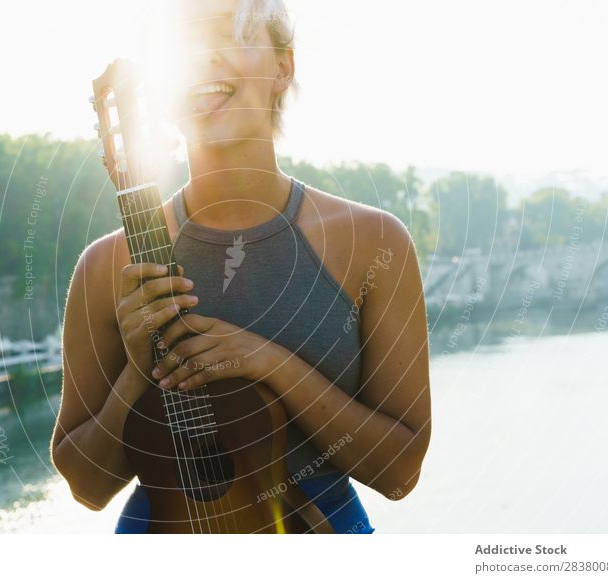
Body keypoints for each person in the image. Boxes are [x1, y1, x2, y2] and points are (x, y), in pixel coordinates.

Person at [50, 0, 431, 534]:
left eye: (225, 36)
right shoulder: (106, 264)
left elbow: (399, 472)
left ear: (283, 67)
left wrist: (270, 364)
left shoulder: (374, 243)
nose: (201, 61)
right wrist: (139, 371)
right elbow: (88, 488)